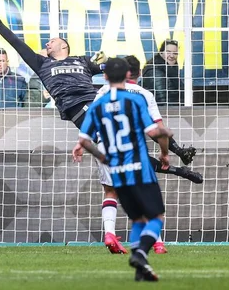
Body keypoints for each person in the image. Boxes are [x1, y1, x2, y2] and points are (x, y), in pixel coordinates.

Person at [0, 0, 199, 251]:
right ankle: (173, 173)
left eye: (52, 41)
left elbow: (117, 67)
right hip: (78, 108)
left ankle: (177, 155)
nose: (47, 43)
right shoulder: (42, 63)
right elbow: (16, 43)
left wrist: (106, 61)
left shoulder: (83, 61)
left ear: (64, 45)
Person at [75, 55, 202, 255]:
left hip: (107, 150)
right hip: (134, 153)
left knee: (110, 193)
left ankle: (109, 234)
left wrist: (82, 145)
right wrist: (165, 153)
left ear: (106, 76)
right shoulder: (142, 95)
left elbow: (90, 125)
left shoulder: (102, 93)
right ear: (137, 73)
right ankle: (157, 243)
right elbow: (157, 129)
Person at [77, 57, 172, 282]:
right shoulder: (136, 98)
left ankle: (140, 268)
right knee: (155, 216)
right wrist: (166, 147)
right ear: (130, 74)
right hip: (139, 166)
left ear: (106, 76)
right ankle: (140, 253)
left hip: (117, 168)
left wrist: (103, 157)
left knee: (137, 220)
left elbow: (84, 139)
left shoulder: (98, 102)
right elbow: (154, 132)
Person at [141, 39, 183, 105]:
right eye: (168, 52)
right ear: (161, 53)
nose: (172, 56)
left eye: (175, 53)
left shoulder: (170, 68)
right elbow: (163, 101)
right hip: (165, 112)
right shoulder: (155, 71)